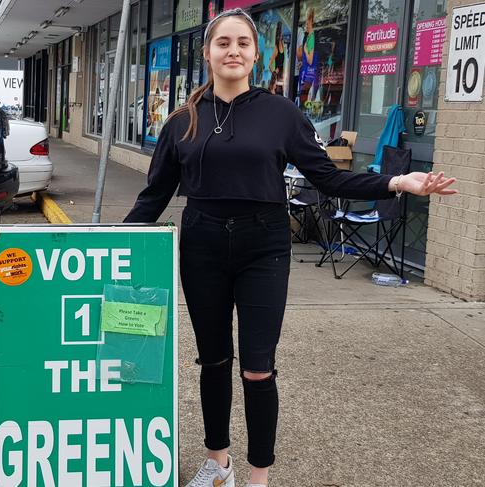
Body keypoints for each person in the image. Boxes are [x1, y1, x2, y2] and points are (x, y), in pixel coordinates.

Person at [124, 8, 457, 487]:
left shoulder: (282, 115)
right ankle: (218, 464)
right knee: (213, 358)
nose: (233, 50)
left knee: (258, 368)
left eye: (243, 43)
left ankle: (259, 474)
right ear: (208, 53)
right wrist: (110, 242)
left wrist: (397, 181)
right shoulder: (183, 121)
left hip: (264, 246)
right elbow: (154, 194)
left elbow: (327, 176)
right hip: (202, 245)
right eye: (223, 43)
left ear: (256, 54)